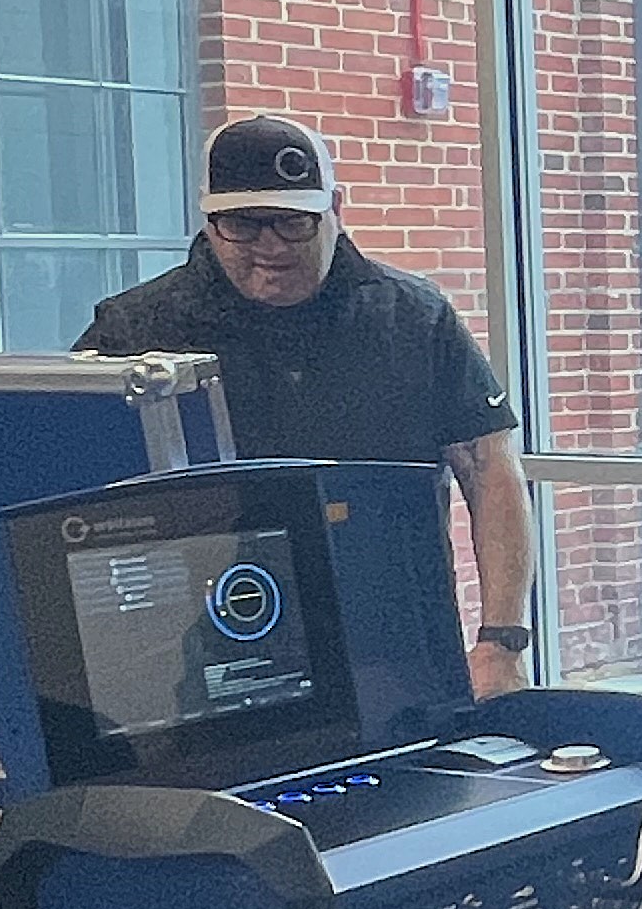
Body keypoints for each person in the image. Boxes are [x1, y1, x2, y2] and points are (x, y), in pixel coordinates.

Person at [77, 114, 534, 698]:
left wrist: (502, 641)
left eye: (293, 224)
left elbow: (490, 467)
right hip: (193, 662)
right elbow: (71, 496)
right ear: (209, 220)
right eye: (243, 226)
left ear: (334, 209)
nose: (269, 249)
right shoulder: (137, 329)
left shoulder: (414, 320)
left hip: (392, 648)